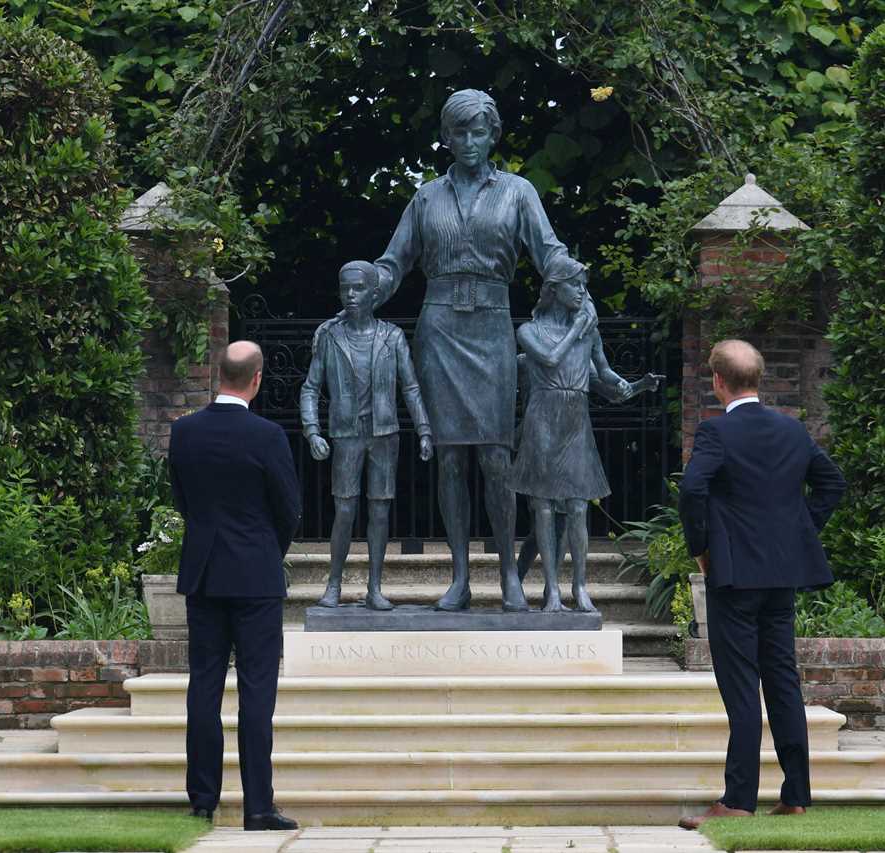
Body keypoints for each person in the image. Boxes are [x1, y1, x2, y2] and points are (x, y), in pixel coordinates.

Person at [373, 88, 587, 612]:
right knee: (449, 459)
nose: (469, 142)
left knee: (495, 456)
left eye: (479, 132)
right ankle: (460, 576)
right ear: (447, 137)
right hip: (440, 329)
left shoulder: (517, 192)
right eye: (459, 132)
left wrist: (576, 286)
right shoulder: (426, 198)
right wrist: (363, 289)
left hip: (492, 327)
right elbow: (393, 262)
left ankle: (509, 576)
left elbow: (548, 250)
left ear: (493, 135)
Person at [676, 339, 846, 830]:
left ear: (718, 382)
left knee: (741, 687)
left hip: (734, 577)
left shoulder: (716, 432)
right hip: (782, 576)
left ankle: (737, 799)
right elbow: (831, 484)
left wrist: (702, 548)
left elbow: (692, 489)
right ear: (760, 378)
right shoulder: (791, 430)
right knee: (782, 679)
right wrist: (798, 532)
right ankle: (795, 794)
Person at [168, 340, 301, 832]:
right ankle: (258, 807)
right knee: (257, 693)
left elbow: (182, 499)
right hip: (256, 577)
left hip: (204, 574)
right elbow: (289, 508)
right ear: (257, 379)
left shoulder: (184, 432)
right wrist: (267, 549)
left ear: (217, 375)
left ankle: (202, 800)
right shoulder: (267, 435)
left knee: (203, 687)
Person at [507, 258, 657, 611]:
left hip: (575, 420)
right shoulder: (530, 331)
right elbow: (548, 359)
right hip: (542, 419)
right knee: (543, 508)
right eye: (575, 285)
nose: (582, 292)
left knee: (577, 507)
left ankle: (579, 587)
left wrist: (635, 386)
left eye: (584, 286)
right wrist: (577, 329)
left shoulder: (588, 332)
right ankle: (552, 591)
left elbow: (606, 377)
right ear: (554, 288)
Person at [300, 260, 434, 610]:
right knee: (344, 511)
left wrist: (423, 429)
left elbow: (411, 387)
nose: (351, 295)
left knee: (379, 512)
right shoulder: (330, 337)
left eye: (358, 288)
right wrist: (312, 430)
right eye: (345, 288)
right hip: (346, 435)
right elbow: (310, 389)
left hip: (384, 434)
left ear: (375, 294)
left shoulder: (391, 337)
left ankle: (375, 587)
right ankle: (334, 584)